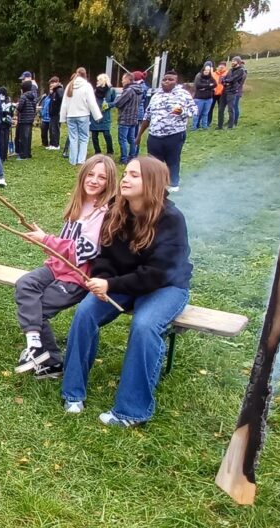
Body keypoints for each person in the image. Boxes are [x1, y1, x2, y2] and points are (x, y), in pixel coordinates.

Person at [60, 156, 192, 427]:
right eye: (126, 174)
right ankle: (72, 393)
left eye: (134, 175)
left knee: (144, 326)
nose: (125, 179)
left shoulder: (171, 219)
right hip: (122, 281)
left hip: (165, 287)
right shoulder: (117, 210)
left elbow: (158, 274)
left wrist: (112, 285)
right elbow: (105, 257)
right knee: (85, 312)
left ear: (152, 183)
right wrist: (101, 279)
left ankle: (131, 412)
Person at [14, 154, 117, 377]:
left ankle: (50, 359)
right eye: (90, 174)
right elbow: (64, 243)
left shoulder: (103, 212)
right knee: (25, 284)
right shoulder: (79, 203)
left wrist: (46, 240)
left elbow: (84, 251)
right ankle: (36, 345)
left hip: (77, 277)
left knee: (38, 308)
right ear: (82, 176)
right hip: (57, 267)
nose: (94, 180)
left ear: (110, 183)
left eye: (102, 177)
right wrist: (45, 245)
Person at [137, 71, 196, 191]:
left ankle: (173, 185)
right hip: (154, 135)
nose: (167, 82)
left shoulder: (183, 94)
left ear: (176, 81)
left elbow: (194, 110)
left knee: (172, 161)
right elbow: (147, 116)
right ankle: (154, 186)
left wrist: (182, 112)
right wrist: (139, 135)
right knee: (153, 163)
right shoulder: (156, 96)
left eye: (171, 79)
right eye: (165, 79)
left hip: (174, 134)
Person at [62, 68, 102, 166]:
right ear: (85, 75)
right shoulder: (87, 86)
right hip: (83, 115)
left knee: (73, 138)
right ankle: (81, 160)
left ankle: (72, 160)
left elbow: (64, 103)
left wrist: (63, 117)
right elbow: (91, 102)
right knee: (84, 138)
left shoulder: (69, 85)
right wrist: (97, 116)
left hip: (70, 115)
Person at [113, 73, 143, 164]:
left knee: (123, 139)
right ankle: (132, 156)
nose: (122, 81)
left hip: (125, 119)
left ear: (128, 80)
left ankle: (124, 159)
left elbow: (118, 103)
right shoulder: (138, 90)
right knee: (132, 139)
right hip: (134, 118)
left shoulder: (129, 90)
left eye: (123, 79)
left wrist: (116, 99)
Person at [90, 74, 117, 156]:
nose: (97, 81)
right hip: (95, 115)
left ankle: (110, 151)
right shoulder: (94, 91)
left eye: (99, 80)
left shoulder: (111, 90)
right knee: (94, 135)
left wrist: (108, 105)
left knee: (107, 134)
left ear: (103, 80)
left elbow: (115, 102)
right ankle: (97, 151)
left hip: (105, 115)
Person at [221, 56, 247, 129]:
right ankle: (231, 121)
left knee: (234, 106)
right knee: (232, 106)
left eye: (234, 61)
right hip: (230, 89)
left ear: (238, 62)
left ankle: (234, 121)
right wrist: (227, 82)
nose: (232, 62)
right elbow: (226, 79)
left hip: (236, 91)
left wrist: (230, 82)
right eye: (232, 61)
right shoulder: (232, 70)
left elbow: (237, 81)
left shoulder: (242, 71)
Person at [15, 81, 37, 160]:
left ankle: (22, 155)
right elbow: (34, 108)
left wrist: (17, 107)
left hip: (23, 119)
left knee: (23, 137)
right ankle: (28, 153)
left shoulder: (23, 96)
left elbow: (20, 107)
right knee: (28, 137)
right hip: (30, 119)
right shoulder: (33, 96)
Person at [192, 63, 216, 130]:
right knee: (197, 113)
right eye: (206, 70)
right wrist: (209, 86)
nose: (207, 71)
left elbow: (215, 84)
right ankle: (194, 126)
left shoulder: (211, 77)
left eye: (208, 70)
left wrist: (205, 87)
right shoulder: (199, 76)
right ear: (203, 70)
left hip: (208, 98)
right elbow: (198, 85)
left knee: (205, 113)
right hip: (199, 98)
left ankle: (204, 126)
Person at [46, 77, 64, 150]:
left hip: (57, 112)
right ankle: (52, 143)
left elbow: (61, 99)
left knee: (55, 129)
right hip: (52, 113)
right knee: (51, 129)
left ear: (57, 82)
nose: (52, 84)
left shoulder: (59, 90)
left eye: (53, 83)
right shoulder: (54, 91)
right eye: (51, 83)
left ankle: (56, 144)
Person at [0, 86, 15, 159]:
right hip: (8, 122)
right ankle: (5, 155)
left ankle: (1, 155)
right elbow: (12, 112)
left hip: (1, 122)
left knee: (1, 140)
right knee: (6, 139)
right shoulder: (9, 101)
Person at [211, 62, 228, 128]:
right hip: (213, 94)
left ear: (225, 67)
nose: (221, 68)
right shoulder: (214, 74)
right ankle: (208, 122)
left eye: (222, 67)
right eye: (220, 66)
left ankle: (220, 123)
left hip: (222, 94)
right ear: (217, 67)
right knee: (210, 108)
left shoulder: (227, 73)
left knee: (221, 109)